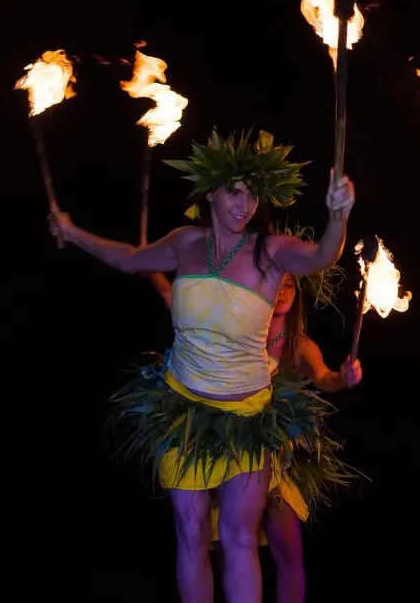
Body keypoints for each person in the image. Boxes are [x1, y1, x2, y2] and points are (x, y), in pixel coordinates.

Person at [49, 129, 357, 603]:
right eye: (235, 190)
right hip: (184, 412)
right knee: (191, 533)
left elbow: (321, 255)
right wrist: (72, 232)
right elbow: (129, 259)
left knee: (237, 537)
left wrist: (338, 217)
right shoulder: (184, 243)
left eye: (254, 193)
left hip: (249, 418)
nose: (245, 203)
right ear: (211, 190)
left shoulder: (270, 253)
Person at [149, 222, 363, 603]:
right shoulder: (236, 325)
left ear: (298, 293)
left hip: (271, 450)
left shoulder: (299, 345)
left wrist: (343, 377)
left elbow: (326, 378)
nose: (282, 291)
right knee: (214, 539)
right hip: (219, 441)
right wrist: (152, 270)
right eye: (277, 281)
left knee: (287, 548)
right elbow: (176, 302)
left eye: (290, 284)